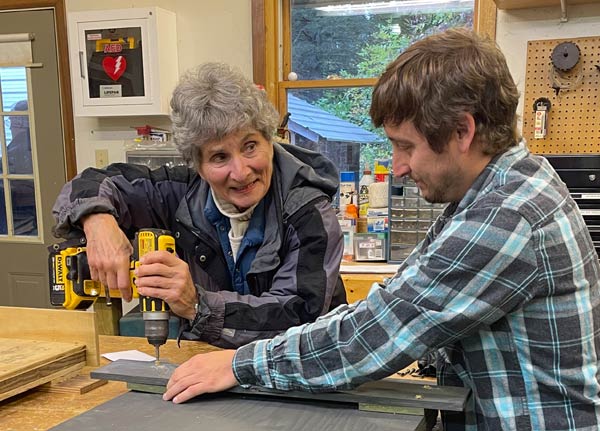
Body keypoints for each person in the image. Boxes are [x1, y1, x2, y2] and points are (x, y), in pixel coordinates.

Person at [162, 29, 600, 431]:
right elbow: (396, 299)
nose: (400, 166)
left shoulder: (507, 217)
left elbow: (370, 337)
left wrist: (240, 364)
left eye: (406, 145)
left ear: (462, 131)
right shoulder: (496, 192)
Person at [52, 62, 347, 348]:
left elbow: (298, 318)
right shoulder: (178, 192)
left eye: (250, 146)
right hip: (204, 367)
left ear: (270, 141)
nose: (241, 171)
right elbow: (90, 183)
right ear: (197, 165)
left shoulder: (308, 212)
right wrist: (98, 222)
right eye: (220, 157)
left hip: (294, 372)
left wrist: (197, 304)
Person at [0, 99, 37, 235]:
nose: (10, 127)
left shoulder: (22, 148)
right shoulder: (15, 146)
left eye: (13, 121)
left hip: (24, 220)